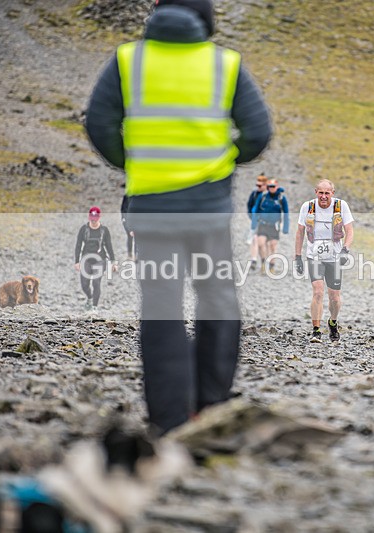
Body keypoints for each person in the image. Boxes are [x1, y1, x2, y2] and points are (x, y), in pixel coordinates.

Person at [85, 0, 272, 435]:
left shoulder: (128, 61)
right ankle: (212, 407)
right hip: (208, 211)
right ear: (206, 19)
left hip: (151, 211)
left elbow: (98, 123)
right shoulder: (224, 64)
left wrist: (132, 163)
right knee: (218, 298)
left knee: (161, 308)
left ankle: (169, 420)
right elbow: (258, 133)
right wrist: (222, 162)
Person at [295, 179, 354, 342]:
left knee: (334, 297)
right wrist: (298, 257)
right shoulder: (307, 207)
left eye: (327, 193)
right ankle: (316, 330)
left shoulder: (341, 206)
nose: (323, 196)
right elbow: (300, 232)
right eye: (320, 193)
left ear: (332, 193)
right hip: (314, 256)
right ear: (316, 192)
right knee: (318, 291)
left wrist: (345, 249)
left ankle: (333, 322)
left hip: (334, 257)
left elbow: (349, 230)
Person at [74, 206, 117, 311]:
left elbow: (109, 246)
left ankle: (94, 307)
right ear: (89, 217)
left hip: (100, 260)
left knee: (96, 282)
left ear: (99, 217)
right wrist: (77, 261)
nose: (93, 220)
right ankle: (89, 297)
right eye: (92, 217)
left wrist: (113, 262)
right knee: (84, 284)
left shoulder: (104, 230)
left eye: (95, 217)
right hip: (86, 259)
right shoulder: (84, 229)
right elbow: (78, 245)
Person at [251, 178, 290, 274]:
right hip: (263, 224)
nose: (271, 188)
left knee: (272, 246)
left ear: (277, 187)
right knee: (261, 243)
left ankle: (272, 265)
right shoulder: (263, 196)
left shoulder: (281, 198)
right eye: (269, 187)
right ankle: (263, 262)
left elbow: (286, 213)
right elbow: (256, 209)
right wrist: (254, 223)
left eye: (273, 186)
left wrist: (286, 227)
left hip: (274, 226)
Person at [246, 173, 267, 270]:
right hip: (255, 221)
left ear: (265, 185)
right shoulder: (254, 194)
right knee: (255, 239)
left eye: (259, 185)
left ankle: (262, 260)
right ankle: (254, 260)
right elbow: (249, 205)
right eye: (257, 185)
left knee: (261, 243)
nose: (257, 187)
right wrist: (251, 216)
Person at [121, 195, 136, 260]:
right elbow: (123, 208)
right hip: (127, 219)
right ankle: (129, 254)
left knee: (136, 237)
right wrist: (123, 218)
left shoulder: (137, 196)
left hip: (135, 219)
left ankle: (136, 254)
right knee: (130, 236)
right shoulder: (126, 196)